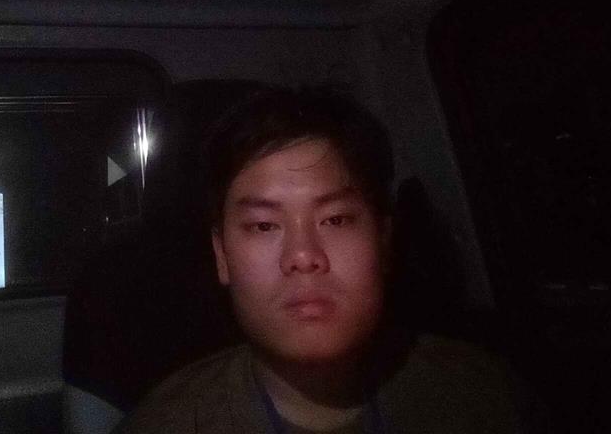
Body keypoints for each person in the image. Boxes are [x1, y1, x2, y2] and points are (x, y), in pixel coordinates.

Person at [114, 86, 531, 434]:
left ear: (383, 240)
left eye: (336, 219)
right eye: (264, 225)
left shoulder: (484, 398)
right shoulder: (169, 424)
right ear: (222, 255)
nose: (303, 256)